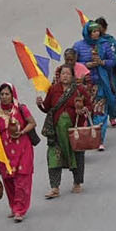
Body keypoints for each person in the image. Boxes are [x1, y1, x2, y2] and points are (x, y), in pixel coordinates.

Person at [38, 63, 88, 199]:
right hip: (55, 133)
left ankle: (77, 182)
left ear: (72, 76)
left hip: (74, 132)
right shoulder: (53, 90)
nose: (65, 76)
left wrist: (83, 110)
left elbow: (89, 106)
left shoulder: (79, 90)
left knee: (77, 156)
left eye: (67, 74)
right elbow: (47, 108)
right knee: (54, 157)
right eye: (62, 74)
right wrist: (40, 104)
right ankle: (55, 188)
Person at [0, 84, 36, 222]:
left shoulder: (20, 109)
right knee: (8, 179)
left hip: (23, 148)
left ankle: (20, 209)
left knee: (22, 179)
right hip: (5, 151)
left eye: (7, 94)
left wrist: (22, 132)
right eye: (2, 94)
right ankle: (13, 206)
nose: (4, 97)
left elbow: (32, 123)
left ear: (12, 95)